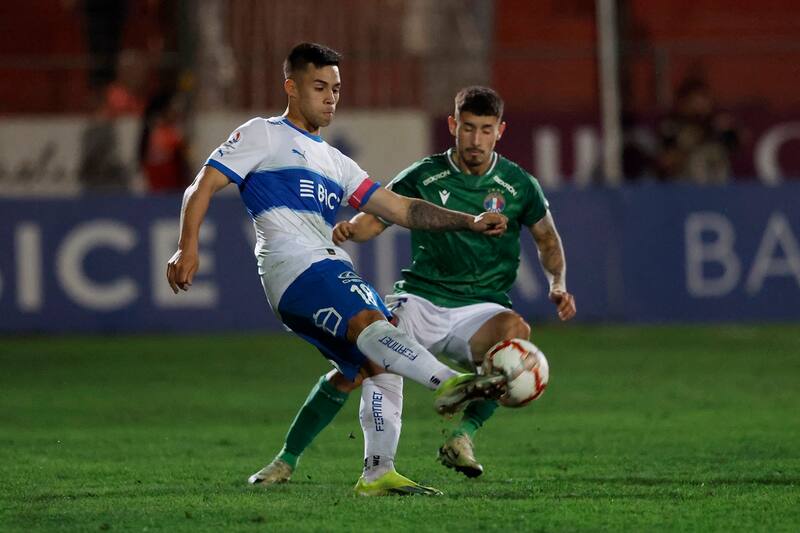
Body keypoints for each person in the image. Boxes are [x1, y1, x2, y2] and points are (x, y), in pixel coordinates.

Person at [165, 44, 509, 496]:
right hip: (295, 265)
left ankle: (377, 473)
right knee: (373, 324)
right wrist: (186, 248)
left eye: (336, 89)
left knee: (376, 359)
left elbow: (401, 209)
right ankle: (451, 383)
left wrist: (468, 220)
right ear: (291, 87)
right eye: (320, 87)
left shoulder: (337, 163)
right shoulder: (263, 134)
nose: (330, 98)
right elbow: (202, 185)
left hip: (319, 267)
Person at [254, 86, 576, 487]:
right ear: (453, 125)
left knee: (514, 342)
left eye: (486, 130)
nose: (475, 140)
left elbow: (546, 237)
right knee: (357, 367)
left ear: (501, 131)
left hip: (480, 310)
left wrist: (557, 283)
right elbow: (379, 215)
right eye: (468, 128)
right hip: (421, 299)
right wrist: (353, 229)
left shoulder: (518, 184)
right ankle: (289, 458)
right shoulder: (425, 174)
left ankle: (462, 438)